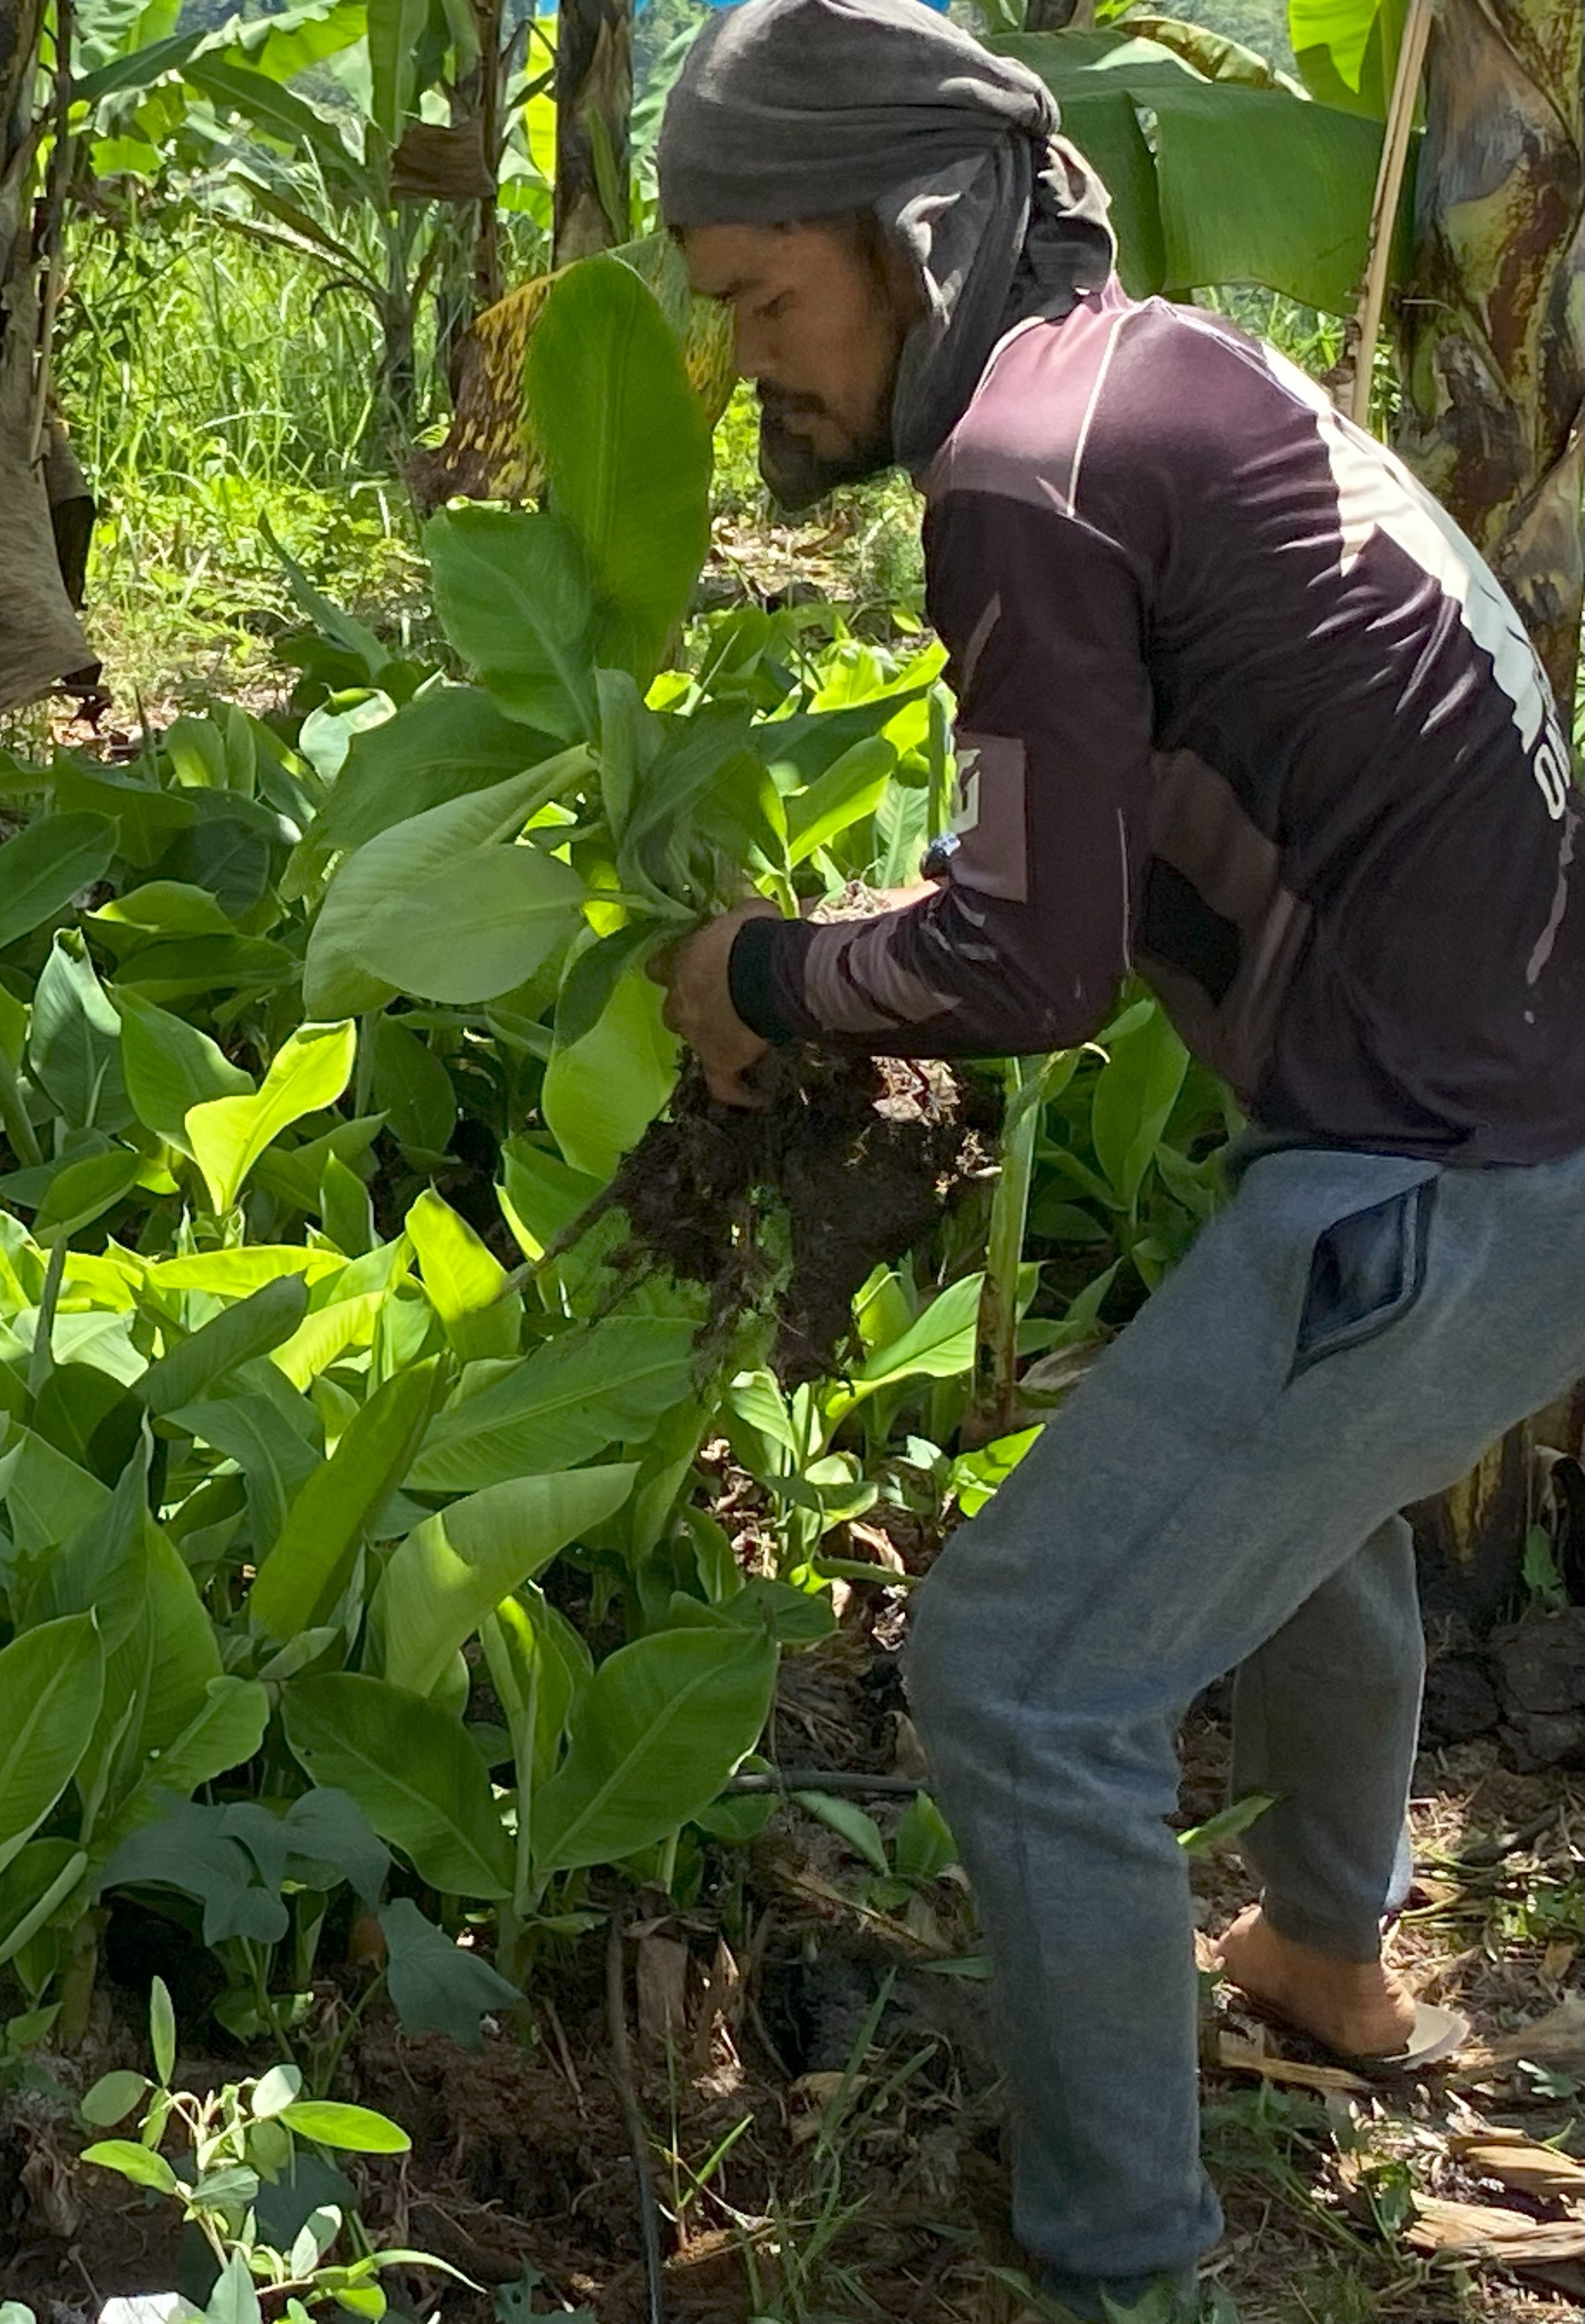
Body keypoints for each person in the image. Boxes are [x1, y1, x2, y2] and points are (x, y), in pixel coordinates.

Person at [643, 0, 1585, 2311]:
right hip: (1513, 1156)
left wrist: (762, 973)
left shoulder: (1021, 476)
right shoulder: (1153, 368)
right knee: (1303, 1488)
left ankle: (1123, 2275)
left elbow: (1033, 964)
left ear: (918, 234)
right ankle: (1326, 1955)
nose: (747, 363)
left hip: (1431, 1195)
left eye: (770, 301)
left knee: (1016, 1678)